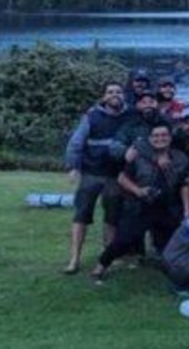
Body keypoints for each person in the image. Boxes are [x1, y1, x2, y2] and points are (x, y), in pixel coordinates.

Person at [91, 123, 189, 283]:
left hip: (167, 208)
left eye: (164, 135)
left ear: (170, 138)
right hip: (140, 206)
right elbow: (122, 178)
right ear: (150, 139)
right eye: (156, 136)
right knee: (123, 240)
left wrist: (186, 211)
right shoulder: (139, 156)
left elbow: (184, 185)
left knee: (170, 245)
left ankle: (175, 273)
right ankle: (100, 266)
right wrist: (138, 191)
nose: (160, 139)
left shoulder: (181, 158)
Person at [62, 82, 130, 274]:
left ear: (123, 95)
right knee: (81, 215)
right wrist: (73, 167)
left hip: (116, 176)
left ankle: (106, 258)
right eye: (110, 92)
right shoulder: (92, 116)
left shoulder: (130, 117)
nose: (114, 95)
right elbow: (76, 142)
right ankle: (74, 259)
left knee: (112, 218)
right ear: (104, 96)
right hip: (91, 174)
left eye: (118, 92)